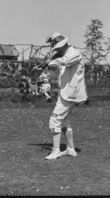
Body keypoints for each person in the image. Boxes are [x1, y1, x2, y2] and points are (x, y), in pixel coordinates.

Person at [42, 32, 87, 160]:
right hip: (66, 93)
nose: (58, 50)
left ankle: (56, 150)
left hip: (71, 93)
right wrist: (46, 63)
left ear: (64, 44)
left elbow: (65, 61)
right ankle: (70, 149)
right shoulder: (65, 54)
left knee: (54, 119)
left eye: (59, 47)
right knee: (64, 121)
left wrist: (49, 62)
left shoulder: (74, 54)